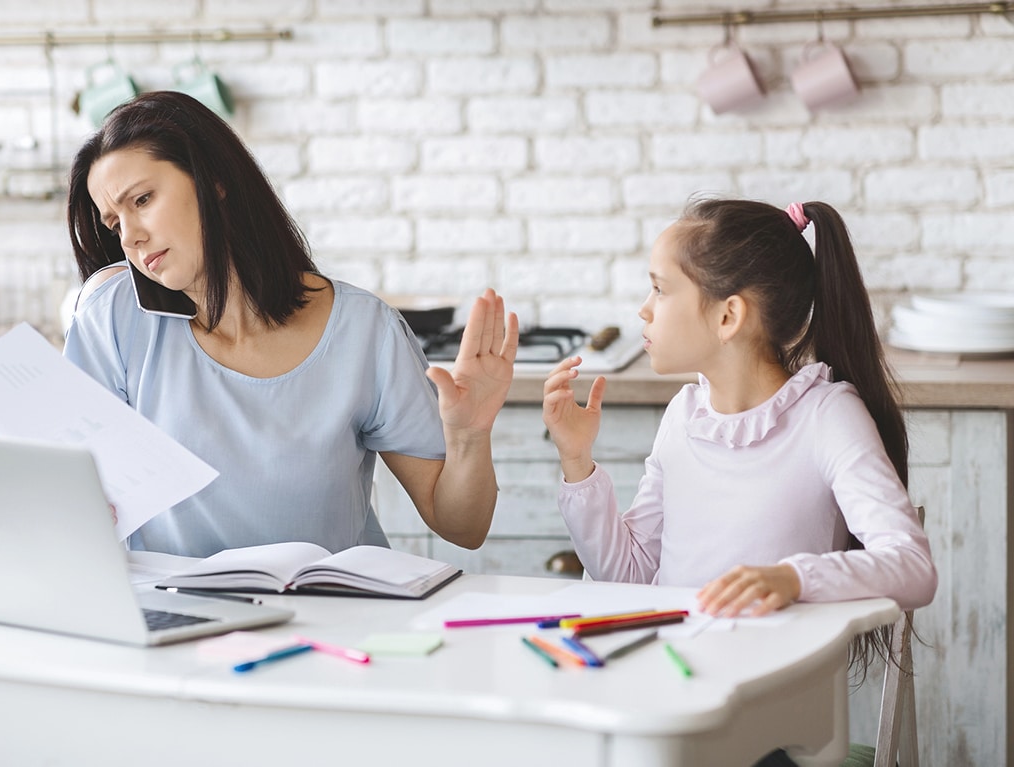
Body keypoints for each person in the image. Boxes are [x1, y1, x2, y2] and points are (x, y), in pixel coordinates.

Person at [63, 90, 518, 558]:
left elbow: (463, 527)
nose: (132, 237)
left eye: (142, 199)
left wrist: (469, 436)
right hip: (180, 621)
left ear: (214, 181)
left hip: (332, 617)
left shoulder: (364, 332)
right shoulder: (113, 318)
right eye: (114, 223)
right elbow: (65, 487)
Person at [542, 197, 937, 624]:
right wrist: (577, 459)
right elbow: (628, 575)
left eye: (660, 289)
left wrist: (793, 579)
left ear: (728, 316)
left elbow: (914, 567)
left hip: (774, 684)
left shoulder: (826, 417)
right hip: (677, 672)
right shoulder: (684, 416)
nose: (644, 308)